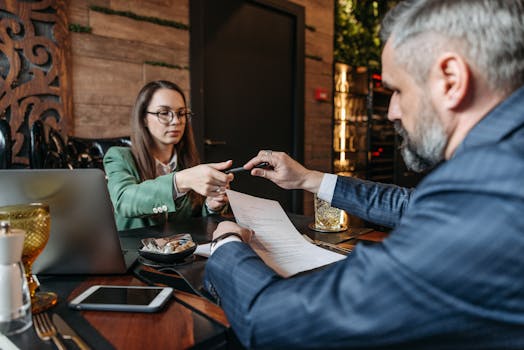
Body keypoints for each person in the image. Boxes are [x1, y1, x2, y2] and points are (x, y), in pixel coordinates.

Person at [203, 0, 524, 348]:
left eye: (397, 91)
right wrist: (308, 178)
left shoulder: (488, 195)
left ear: (451, 79)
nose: (392, 113)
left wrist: (227, 245)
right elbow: (411, 206)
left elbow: (272, 323)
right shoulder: (503, 163)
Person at [103, 80, 233, 230]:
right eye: (164, 113)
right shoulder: (119, 156)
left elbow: (196, 219)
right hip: (135, 250)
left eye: (181, 113)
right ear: (144, 118)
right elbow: (123, 201)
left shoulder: (189, 160)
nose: (176, 121)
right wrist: (181, 181)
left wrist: (211, 206)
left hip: (183, 250)